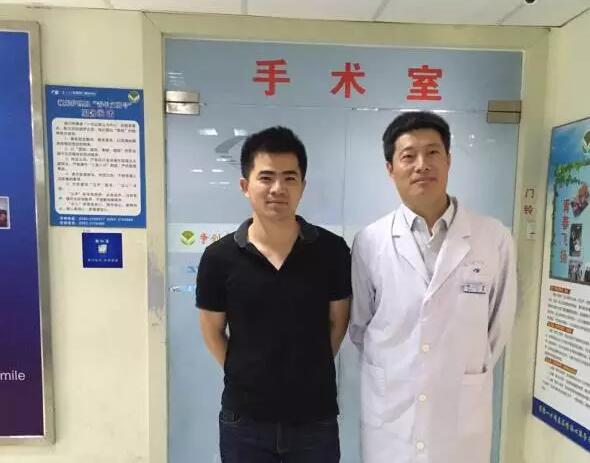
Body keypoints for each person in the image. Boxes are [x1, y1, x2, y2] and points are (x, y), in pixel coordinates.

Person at [349, 111, 517, 463]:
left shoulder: (493, 237)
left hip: (460, 413)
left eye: (433, 152)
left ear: (449, 160)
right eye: (408, 156)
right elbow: (361, 327)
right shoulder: (369, 241)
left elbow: (497, 328)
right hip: (392, 417)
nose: (421, 165)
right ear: (390, 169)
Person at [196, 126, 351, 463]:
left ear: (303, 186)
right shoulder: (219, 258)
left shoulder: (332, 251)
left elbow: (338, 322)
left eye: (289, 178)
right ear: (245, 186)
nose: (278, 188)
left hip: (315, 418)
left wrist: (307, 368)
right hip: (244, 421)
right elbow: (211, 330)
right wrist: (248, 372)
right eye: (266, 178)